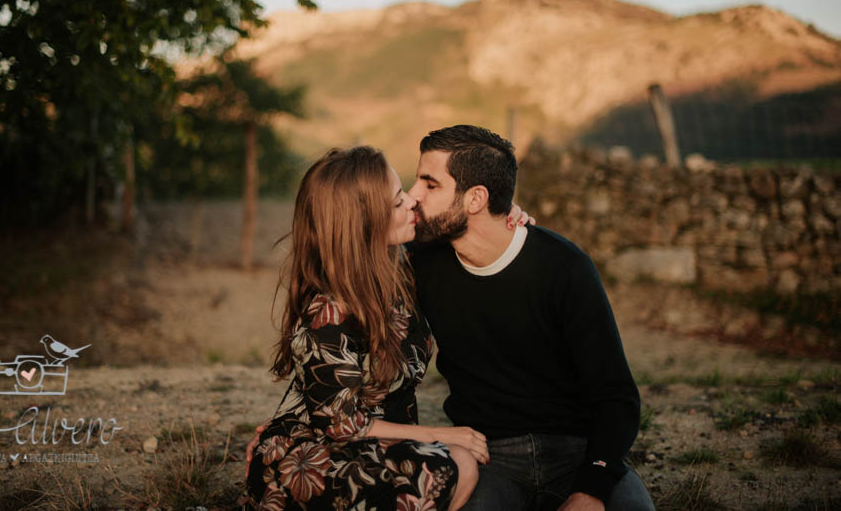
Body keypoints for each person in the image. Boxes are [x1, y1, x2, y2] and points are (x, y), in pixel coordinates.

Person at [407, 125, 653, 511]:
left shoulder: (564, 266)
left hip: (578, 449)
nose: (412, 195)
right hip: (487, 455)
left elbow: (616, 396)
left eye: (429, 184)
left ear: (475, 199)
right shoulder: (421, 260)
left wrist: (592, 486)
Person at [245, 146, 490, 511]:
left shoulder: (400, 265)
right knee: (451, 463)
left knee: (459, 462)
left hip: (366, 442)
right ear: (362, 224)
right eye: (395, 202)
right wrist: (438, 433)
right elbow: (339, 423)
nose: (410, 201)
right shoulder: (328, 310)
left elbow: (476, 234)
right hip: (310, 458)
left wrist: (509, 214)